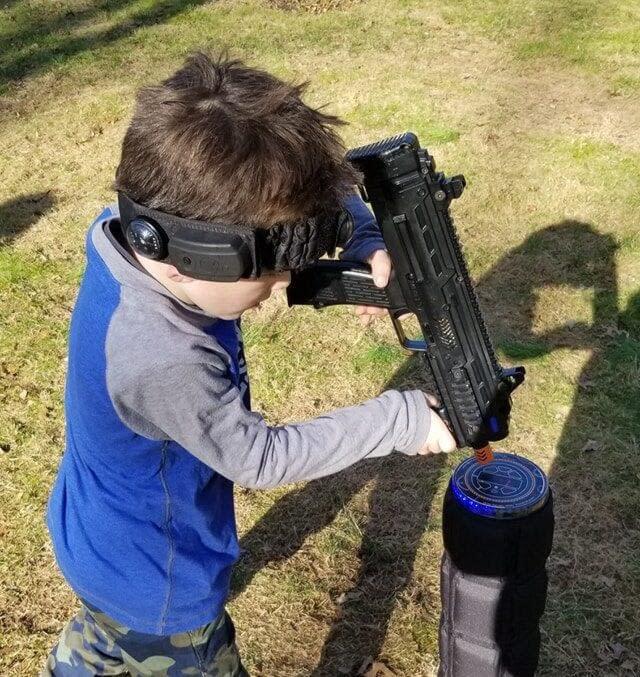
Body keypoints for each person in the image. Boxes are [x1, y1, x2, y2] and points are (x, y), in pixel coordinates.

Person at [42, 52, 456, 676]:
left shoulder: (142, 224)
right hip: (161, 582)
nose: (287, 277)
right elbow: (256, 457)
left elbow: (304, 190)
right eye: (271, 266)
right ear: (192, 256)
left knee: (110, 636)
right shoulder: (160, 355)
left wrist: (363, 232)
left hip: (101, 533)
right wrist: (396, 421)